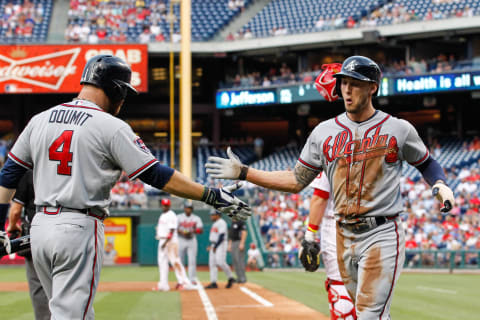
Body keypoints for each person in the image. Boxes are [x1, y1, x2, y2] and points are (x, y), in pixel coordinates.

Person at [0, 54, 251, 319]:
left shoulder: (40, 120)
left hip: (39, 227)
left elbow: (8, 175)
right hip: (78, 227)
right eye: (124, 93)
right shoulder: (110, 126)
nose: (123, 100)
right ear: (115, 89)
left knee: (55, 313)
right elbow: (155, 174)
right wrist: (211, 194)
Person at [205, 55, 454, 319]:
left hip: (382, 232)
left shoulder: (398, 129)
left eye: (355, 83)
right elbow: (295, 181)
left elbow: (427, 163)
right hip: (343, 234)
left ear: (373, 88)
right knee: (367, 314)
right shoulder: (323, 132)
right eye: (343, 82)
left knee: (369, 314)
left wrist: (439, 184)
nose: (346, 89)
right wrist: (245, 172)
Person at [306, 172, 356, 320]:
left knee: (340, 288)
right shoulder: (379, 153)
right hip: (375, 230)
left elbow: (320, 196)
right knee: (371, 295)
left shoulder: (331, 152)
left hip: (338, 228)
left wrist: (310, 234)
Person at [7, 170, 50, 320]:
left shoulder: (28, 173)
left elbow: (15, 211)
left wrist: (12, 226)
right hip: (67, 231)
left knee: (38, 286)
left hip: (37, 235)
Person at [155, 198, 192, 291]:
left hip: (170, 241)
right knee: (162, 263)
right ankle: (163, 285)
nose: (165, 206)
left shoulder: (171, 215)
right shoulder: (163, 215)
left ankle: (184, 282)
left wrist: (166, 242)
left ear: (169, 206)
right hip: (163, 240)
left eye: (166, 205)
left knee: (175, 262)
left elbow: (171, 230)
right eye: (164, 205)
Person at [205, 210, 235, 289]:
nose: (211, 216)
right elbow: (213, 236)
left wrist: (215, 246)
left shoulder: (222, 222)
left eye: (213, 215)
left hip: (220, 244)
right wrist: (210, 245)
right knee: (212, 264)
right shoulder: (215, 223)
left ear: (218, 215)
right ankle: (213, 282)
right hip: (214, 244)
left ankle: (230, 277)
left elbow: (221, 236)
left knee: (220, 262)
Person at [177, 199, 203, 285]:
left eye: (190, 208)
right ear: (184, 208)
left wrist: (191, 231)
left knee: (192, 261)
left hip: (192, 240)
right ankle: (181, 279)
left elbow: (200, 230)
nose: (188, 209)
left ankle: (192, 279)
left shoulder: (196, 218)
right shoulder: (179, 217)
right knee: (180, 260)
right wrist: (183, 232)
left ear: (192, 209)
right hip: (181, 239)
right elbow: (175, 229)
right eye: (187, 208)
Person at [228, 218, 247, 283]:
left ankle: (243, 278)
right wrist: (229, 245)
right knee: (235, 261)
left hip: (238, 242)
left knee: (240, 261)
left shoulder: (240, 222)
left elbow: (244, 232)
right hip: (233, 242)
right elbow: (231, 236)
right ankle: (238, 277)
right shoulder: (232, 223)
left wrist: (242, 243)